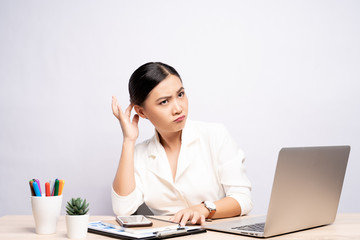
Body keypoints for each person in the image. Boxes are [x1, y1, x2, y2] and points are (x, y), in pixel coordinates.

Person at [111, 62, 252, 227]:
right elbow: (123, 208)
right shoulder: (139, 154)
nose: (178, 108)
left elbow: (243, 199)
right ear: (142, 112)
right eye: (164, 102)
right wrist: (128, 141)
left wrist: (204, 209)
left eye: (180, 94)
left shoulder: (214, 135)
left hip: (215, 234)